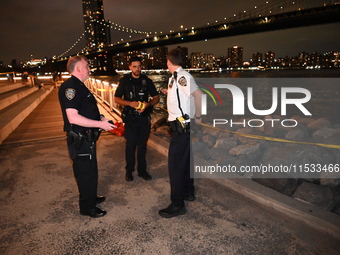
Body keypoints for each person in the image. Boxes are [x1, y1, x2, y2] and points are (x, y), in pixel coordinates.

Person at [58, 56, 115, 218]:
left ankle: (90, 197)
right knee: (85, 173)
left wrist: (101, 119)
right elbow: (73, 117)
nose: (89, 68)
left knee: (90, 170)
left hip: (87, 138)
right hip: (80, 139)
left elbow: (86, 109)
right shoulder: (71, 88)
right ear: (78, 69)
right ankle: (87, 207)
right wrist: (100, 125)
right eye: (87, 66)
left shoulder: (80, 86)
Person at [159, 49, 203, 218]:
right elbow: (182, 97)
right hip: (181, 126)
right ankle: (188, 192)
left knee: (176, 165)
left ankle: (178, 204)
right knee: (186, 160)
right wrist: (167, 91)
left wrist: (198, 116)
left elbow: (199, 95)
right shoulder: (175, 78)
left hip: (181, 127)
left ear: (168, 62)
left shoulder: (183, 76)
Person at [114, 56, 160, 182]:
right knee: (130, 145)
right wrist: (129, 103)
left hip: (144, 118)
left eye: (139, 66)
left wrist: (148, 104)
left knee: (142, 145)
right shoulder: (124, 81)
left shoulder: (147, 81)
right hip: (130, 118)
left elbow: (156, 97)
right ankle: (129, 170)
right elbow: (116, 98)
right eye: (134, 66)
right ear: (130, 67)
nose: (137, 68)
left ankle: (142, 171)